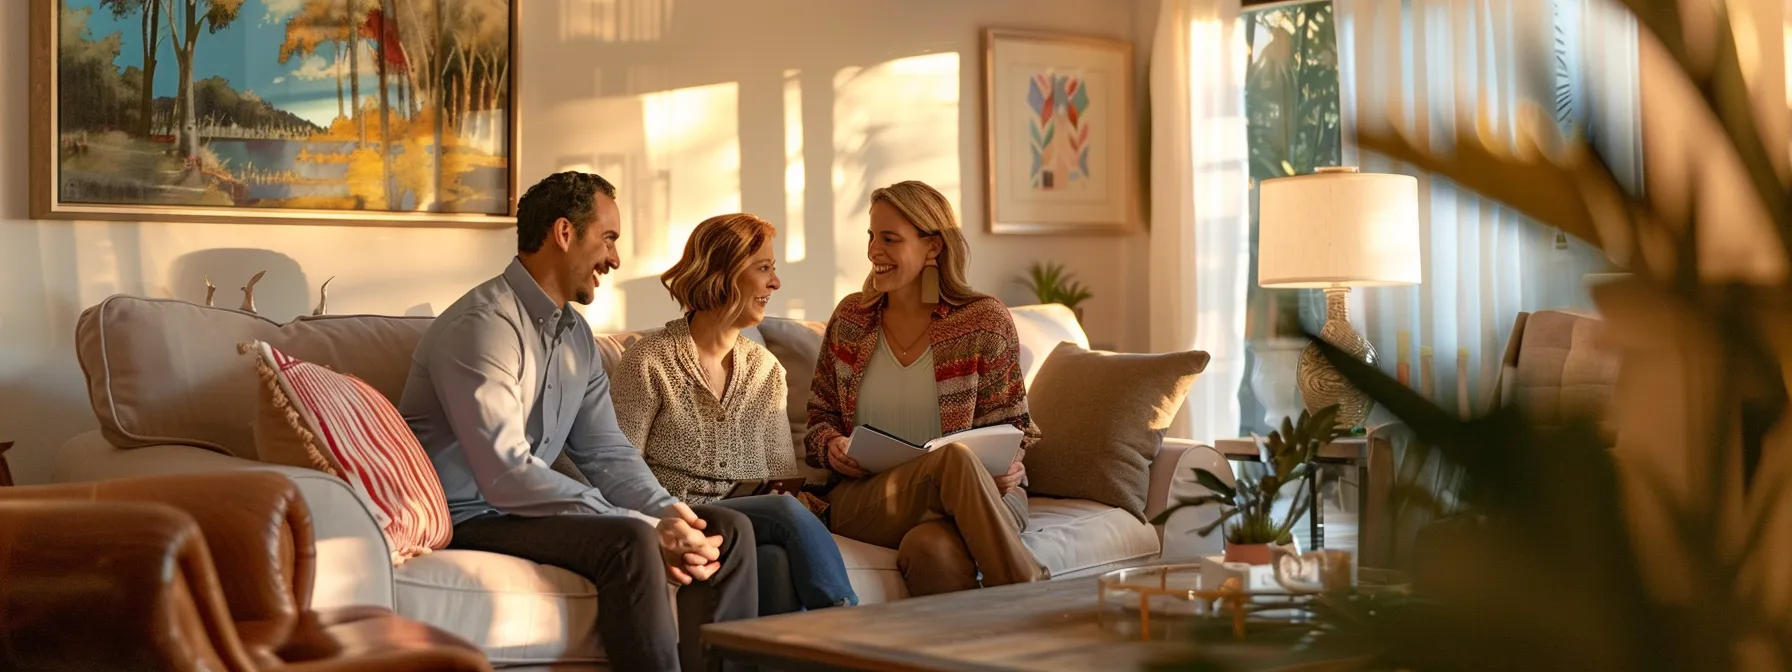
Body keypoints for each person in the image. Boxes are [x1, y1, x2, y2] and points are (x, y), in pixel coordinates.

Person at [398, 172, 756, 672]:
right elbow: (505, 476)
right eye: (608, 238)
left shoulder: (576, 337)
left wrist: (669, 513)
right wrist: (643, 524)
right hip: (475, 515)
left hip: (526, 512)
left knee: (725, 526)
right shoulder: (481, 327)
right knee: (629, 540)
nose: (614, 258)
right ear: (565, 234)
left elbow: (607, 452)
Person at [805, 180, 1046, 596]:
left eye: (889, 239)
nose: (873, 251)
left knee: (932, 549)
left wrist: (1005, 467)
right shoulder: (850, 320)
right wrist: (831, 444)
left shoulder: (983, 320)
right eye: (871, 237)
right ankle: (1028, 594)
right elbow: (818, 417)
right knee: (953, 460)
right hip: (868, 498)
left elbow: (1012, 425)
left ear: (932, 247)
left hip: (981, 495)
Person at [612, 213, 858, 615]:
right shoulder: (648, 361)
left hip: (745, 524)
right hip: (679, 518)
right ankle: (848, 621)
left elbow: (780, 479)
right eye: (764, 269)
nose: (775, 283)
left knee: (774, 562)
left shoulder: (766, 371)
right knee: (783, 512)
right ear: (720, 272)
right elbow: (620, 468)